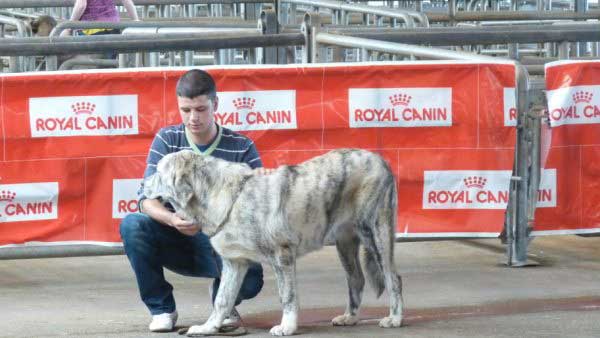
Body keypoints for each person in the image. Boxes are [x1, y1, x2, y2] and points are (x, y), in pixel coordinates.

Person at [119, 69, 266, 333]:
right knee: (133, 224)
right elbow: (145, 199)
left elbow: (259, 208)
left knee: (252, 279)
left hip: (225, 241)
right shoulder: (167, 139)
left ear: (216, 105)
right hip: (177, 237)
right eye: (185, 110)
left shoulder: (242, 146)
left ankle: (224, 299)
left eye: (200, 109)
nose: (193, 118)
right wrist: (172, 219)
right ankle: (162, 309)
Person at [60, 0, 139, 37]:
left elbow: (81, 5)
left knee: (92, 66)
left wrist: (68, 28)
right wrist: (136, 20)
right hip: (113, 27)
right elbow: (127, 2)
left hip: (91, 29)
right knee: (111, 63)